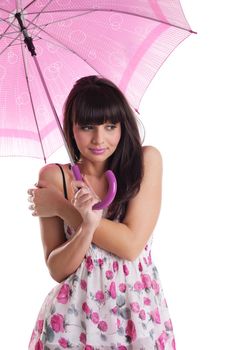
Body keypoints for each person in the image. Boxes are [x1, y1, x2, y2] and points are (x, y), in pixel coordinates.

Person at [27, 75, 175, 349]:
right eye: (87, 126)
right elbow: (57, 269)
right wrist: (84, 229)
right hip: (72, 323)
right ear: (71, 128)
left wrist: (63, 208)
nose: (99, 139)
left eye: (110, 126)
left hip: (137, 316)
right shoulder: (55, 177)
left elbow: (130, 245)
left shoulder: (145, 162)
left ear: (123, 126)